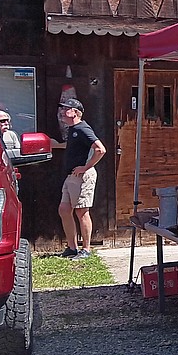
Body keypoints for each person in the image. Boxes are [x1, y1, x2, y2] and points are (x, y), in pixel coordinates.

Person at [51, 99, 106, 258]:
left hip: (82, 176)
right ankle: (72, 247)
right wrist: (56, 145)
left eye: (66, 109)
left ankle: (86, 249)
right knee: (64, 210)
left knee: (82, 212)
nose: (62, 112)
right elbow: (75, 147)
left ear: (75, 112)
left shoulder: (83, 128)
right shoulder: (73, 130)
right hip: (71, 177)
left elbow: (100, 150)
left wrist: (85, 167)